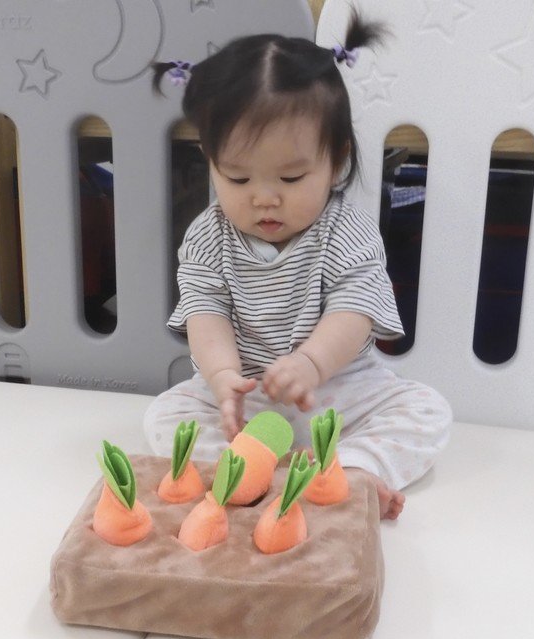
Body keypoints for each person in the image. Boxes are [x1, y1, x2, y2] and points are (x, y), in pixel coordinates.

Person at [143, 12, 451, 519]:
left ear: (337, 161)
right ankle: (253, 471)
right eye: (238, 179)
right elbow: (205, 312)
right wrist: (222, 376)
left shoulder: (346, 231)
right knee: (167, 413)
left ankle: (351, 470)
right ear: (210, 161)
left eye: (290, 179)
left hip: (338, 394)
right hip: (247, 400)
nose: (265, 198)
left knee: (426, 411)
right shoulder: (207, 236)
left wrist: (311, 364)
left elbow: (355, 309)